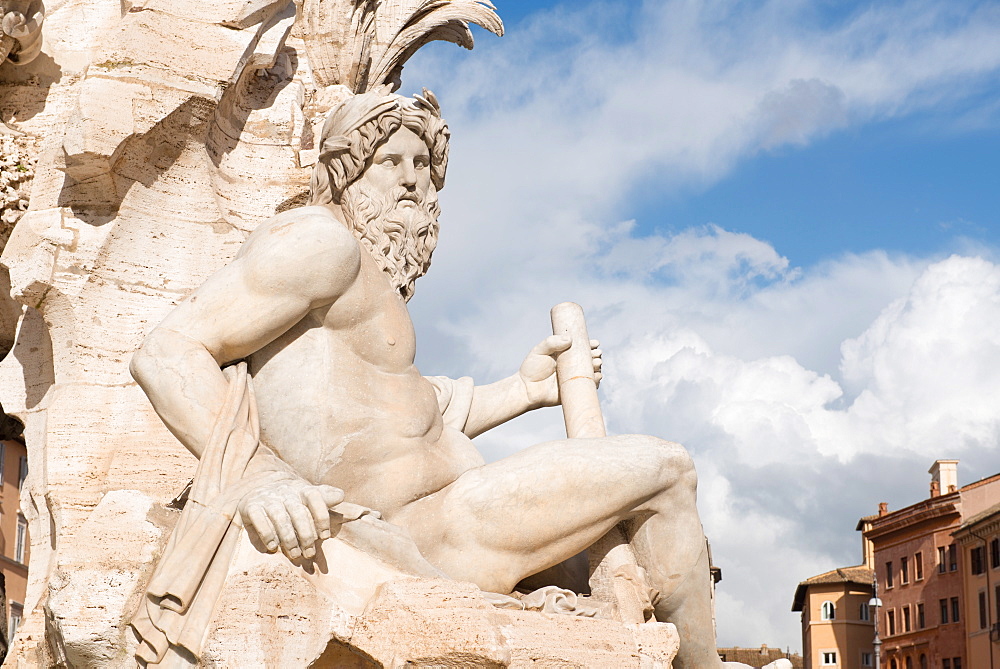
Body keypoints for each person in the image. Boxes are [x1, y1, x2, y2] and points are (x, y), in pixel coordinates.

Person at [131, 88, 733, 668]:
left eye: (422, 162)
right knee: (667, 468)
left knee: (625, 568)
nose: (412, 179)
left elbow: (410, 415)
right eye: (390, 160)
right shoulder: (320, 244)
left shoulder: (367, 288)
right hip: (424, 529)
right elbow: (167, 350)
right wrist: (259, 478)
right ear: (346, 172)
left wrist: (522, 392)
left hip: (450, 517)